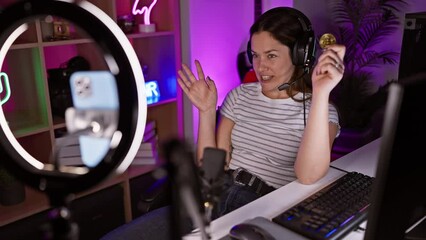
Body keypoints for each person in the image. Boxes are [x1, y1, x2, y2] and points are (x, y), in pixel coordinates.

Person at [177, 6, 346, 218]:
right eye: (255, 55)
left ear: (300, 55)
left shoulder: (322, 111)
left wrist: (321, 93)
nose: (260, 66)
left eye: (271, 56)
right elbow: (211, 173)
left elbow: (308, 176)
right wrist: (207, 111)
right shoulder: (239, 96)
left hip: (265, 207)